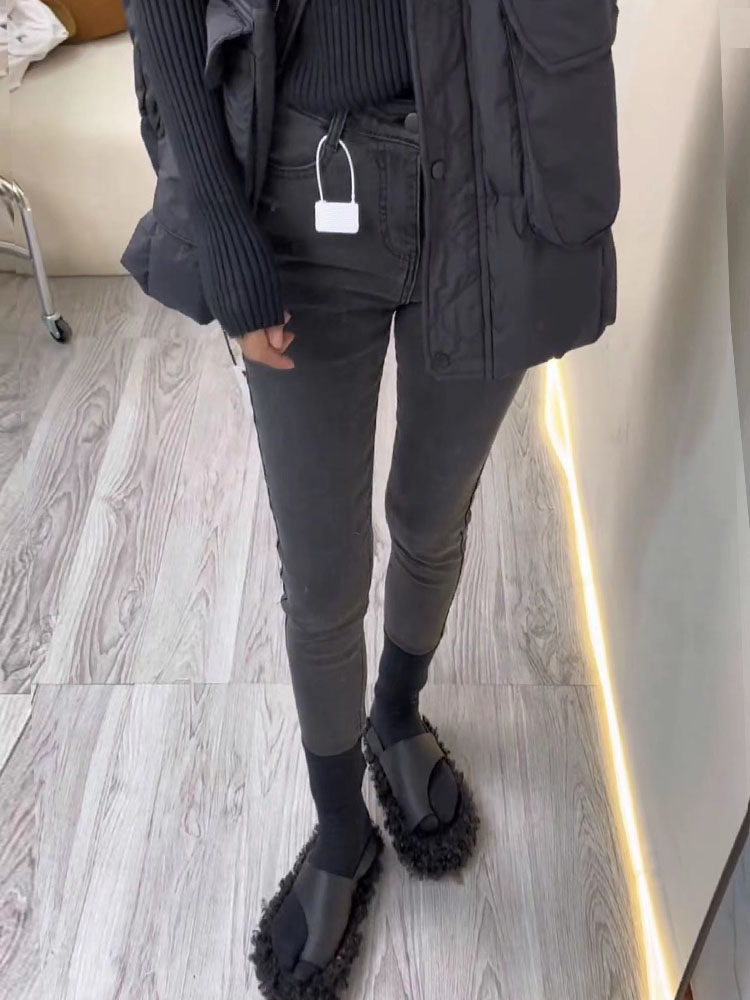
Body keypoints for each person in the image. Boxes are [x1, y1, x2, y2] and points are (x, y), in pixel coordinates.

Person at [126, 1, 619, 997]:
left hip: (498, 174)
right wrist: (221, 221)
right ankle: (339, 821)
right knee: (322, 574)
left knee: (434, 515)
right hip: (301, 183)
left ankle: (397, 709)